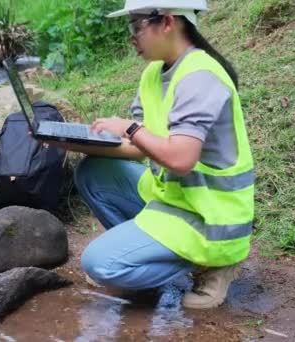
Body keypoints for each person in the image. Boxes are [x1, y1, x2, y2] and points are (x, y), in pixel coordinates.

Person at [38, 0, 254, 309]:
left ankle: (211, 266)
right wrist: (65, 142)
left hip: (212, 218)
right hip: (175, 200)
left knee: (100, 265)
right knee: (93, 173)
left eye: (136, 25)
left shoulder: (200, 76)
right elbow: (140, 150)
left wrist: (129, 127)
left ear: (167, 22)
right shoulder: (154, 74)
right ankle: (142, 262)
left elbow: (180, 158)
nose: (132, 37)